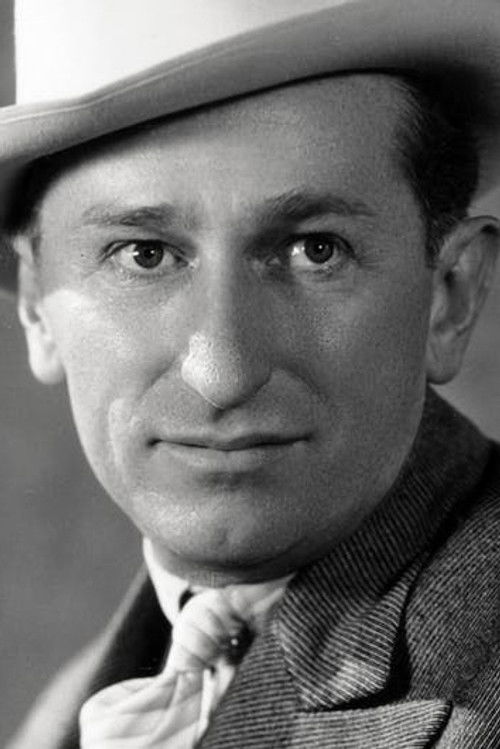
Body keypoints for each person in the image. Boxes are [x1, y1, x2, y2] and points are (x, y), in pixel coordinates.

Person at [3, 1, 500, 747]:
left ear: (450, 297)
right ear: (36, 309)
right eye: (144, 254)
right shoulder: (77, 701)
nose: (223, 374)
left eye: (316, 250)